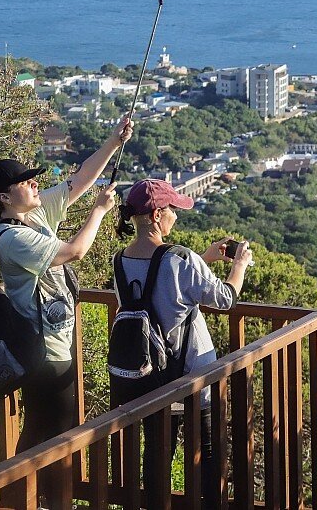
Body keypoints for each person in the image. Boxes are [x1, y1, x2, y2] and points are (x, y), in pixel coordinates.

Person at [0, 115, 133, 506]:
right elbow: (73, 252)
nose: (34, 184)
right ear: (4, 197)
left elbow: (78, 182)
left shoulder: (31, 214)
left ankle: (21, 499)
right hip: (44, 353)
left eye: (34, 180)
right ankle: (36, 499)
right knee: (57, 434)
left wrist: (114, 141)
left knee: (41, 430)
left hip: (49, 345)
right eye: (26, 182)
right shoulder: (13, 238)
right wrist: (99, 212)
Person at [111, 178, 251, 505]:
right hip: (191, 378)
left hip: (149, 379)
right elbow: (225, 297)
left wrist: (204, 259)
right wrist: (239, 264)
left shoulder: (120, 260)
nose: (176, 215)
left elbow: (156, 294)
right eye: (173, 209)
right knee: (209, 452)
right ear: (157, 214)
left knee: (157, 455)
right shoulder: (180, 259)